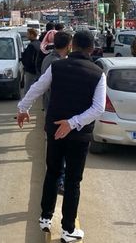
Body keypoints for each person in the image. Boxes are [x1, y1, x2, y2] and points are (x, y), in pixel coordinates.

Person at [17, 31, 106, 242]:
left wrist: (23, 108)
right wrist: (73, 123)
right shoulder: (98, 73)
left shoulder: (56, 67)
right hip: (79, 136)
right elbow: (98, 108)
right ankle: (68, 229)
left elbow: (37, 88)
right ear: (91, 49)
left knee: (53, 172)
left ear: (72, 45)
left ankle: (45, 217)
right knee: (73, 181)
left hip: (55, 129)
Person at [40, 31, 72, 196]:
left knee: (56, 149)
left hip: (50, 109)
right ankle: (60, 181)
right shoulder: (56, 63)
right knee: (60, 150)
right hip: (57, 112)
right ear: (68, 45)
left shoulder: (48, 58)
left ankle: (58, 178)